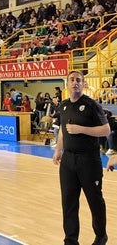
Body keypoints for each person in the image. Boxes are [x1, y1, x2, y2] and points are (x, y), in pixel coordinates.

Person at [52, 70, 110, 245]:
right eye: (72, 80)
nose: (75, 82)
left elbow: (106, 130)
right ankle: (70, 240)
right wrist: (58, 150)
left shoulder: (91, 105)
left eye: (79, 80)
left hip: (89, 161)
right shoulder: (63, 105)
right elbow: (62, 130)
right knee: (68, 203)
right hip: (68, 161)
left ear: (83, 84)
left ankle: (101, 236)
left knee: (95, 201)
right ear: (67, 84)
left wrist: (81, 129)